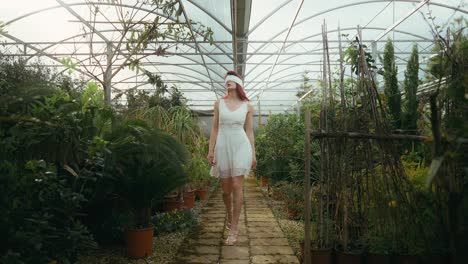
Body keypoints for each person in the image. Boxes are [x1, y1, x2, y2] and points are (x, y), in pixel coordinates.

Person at [207, 70, 257, 246]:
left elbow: (249, 131)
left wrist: (253, 153)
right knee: (226, 190)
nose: (227, 81)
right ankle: (229, 213)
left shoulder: (247, 106)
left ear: (238, 83)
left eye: (231, 79)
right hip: (222, 145)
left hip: (240, 146)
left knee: (237, 185)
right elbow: (214, 128)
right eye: (226, 80)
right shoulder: (219, 103)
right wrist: (210, 150)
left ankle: (234, 227)